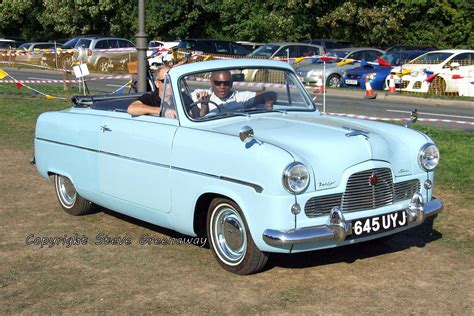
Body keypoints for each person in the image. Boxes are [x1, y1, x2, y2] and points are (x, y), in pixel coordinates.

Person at [191, 70, 276, 116]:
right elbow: (199, 118)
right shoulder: (200, 94)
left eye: (226, 83)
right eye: (218, 83)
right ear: (212, 82)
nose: (222, 87)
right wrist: (204, 104)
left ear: (231, 84)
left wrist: (268, 105)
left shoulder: (240, 97)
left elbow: (270, 94)